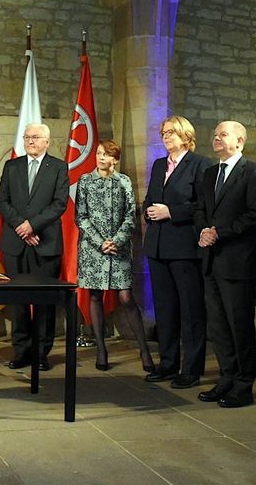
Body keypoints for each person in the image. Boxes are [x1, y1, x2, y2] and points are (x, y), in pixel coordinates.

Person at [194, 121, 256, 408]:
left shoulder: (253, 172)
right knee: (218, 325)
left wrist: (218, 233)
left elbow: (254, 214)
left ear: (239, 141)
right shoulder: (211, 173)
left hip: (237, 261)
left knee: (239, 325)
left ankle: (243, 384)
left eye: (222, 134)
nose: (216, 137)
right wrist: (203, 230)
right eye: (214, 133)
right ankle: (226, 377)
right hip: (211, 259)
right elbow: (201, 208)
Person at [141, 116, 213, 389]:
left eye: (171, 132)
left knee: (190, 309)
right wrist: (148, 210)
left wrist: (171, 212)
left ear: (186, 135)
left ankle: (191, 369)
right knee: (165, 308)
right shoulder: (160, 165)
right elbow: (151, 196)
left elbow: (202, 205)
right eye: (163, 132)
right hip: (158, 247)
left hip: (184, 247)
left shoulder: (200, 164)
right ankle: (167, 363)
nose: (166, 136)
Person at [75, 139, 153, 372]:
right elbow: (81, 216)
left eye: (106, 155)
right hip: (93, 250)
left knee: (126, 297)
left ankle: (144, 350)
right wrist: (100, 243)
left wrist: (116, 241)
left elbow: (131, 215)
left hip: (118, 250)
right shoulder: (85, 181)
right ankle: (101, 348)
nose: (101, 158)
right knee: (96, 296)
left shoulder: (124, 182)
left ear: (115, 159)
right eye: (98, 153)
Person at [0, 123, 69, 371]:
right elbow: (2, 202)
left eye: (35, 137)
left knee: (44, 301)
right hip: (15, 243)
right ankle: (21, 351)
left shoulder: (58, 167)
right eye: (27, 137)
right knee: (17, 301)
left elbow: (60, 204)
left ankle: (41, 352)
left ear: (47, 142)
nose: (30, 141)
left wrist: (33, 226)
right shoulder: (12, 166)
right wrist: (22, 227)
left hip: (45, 243)